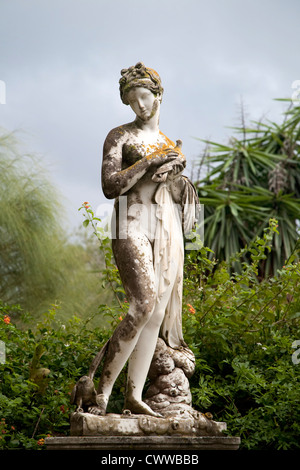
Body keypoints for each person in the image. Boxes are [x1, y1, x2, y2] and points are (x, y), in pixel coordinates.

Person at [89, 62, 199, 417]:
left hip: (163, 226)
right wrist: (148, 162)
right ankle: (99, 394)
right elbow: (109, 187)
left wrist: (176, 173)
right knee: (142, 303)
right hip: (130, 223)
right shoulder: (119, 136)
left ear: (158, 95)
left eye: (144, 97)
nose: (139, 105)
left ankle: (133, 396)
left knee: (155, 312)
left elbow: (177, 194)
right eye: (132, 100)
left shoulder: (168, 143)